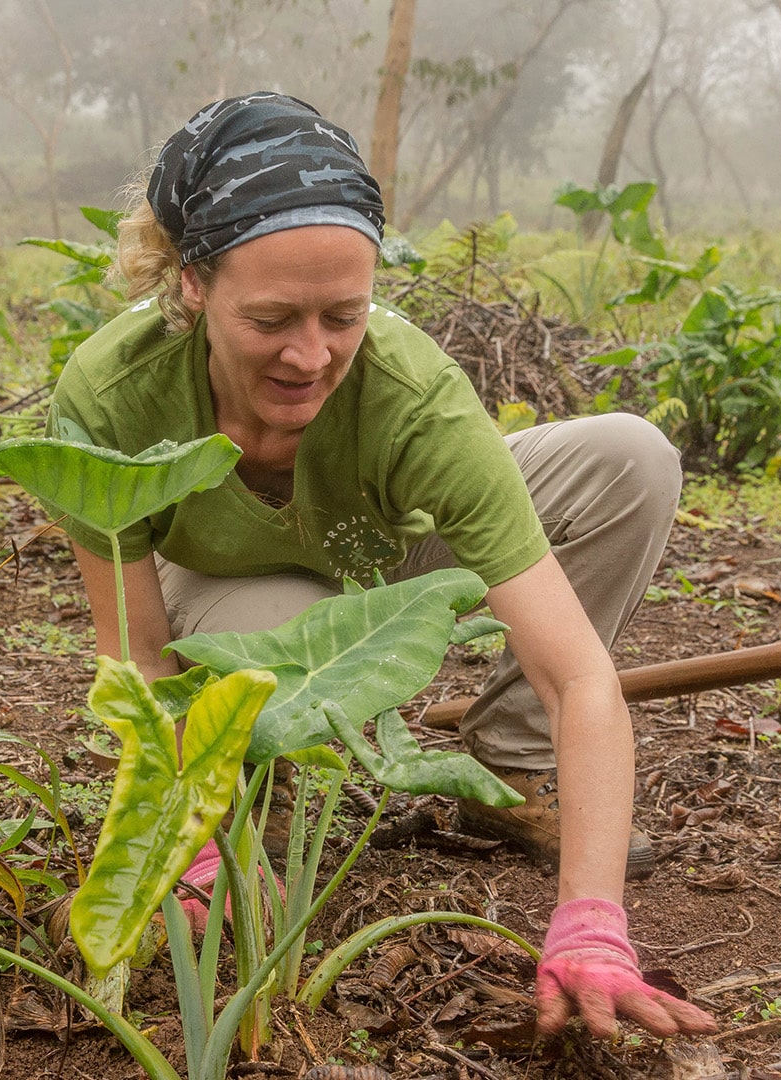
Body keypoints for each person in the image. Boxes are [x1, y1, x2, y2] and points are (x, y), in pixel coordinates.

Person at [48, 92, 716, 1040]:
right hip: (236, 585)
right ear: (194, 284)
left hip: (382, 545)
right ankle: (249, 801)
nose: (311, 355)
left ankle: (509, 770)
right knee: (275, 619)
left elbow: (578, 676)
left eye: (344, 314)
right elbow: (139, 659)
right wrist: (182, 850)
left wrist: (593, 923)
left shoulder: (408, 389)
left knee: (630, 457)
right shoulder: (111, 397)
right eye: (273, 316)